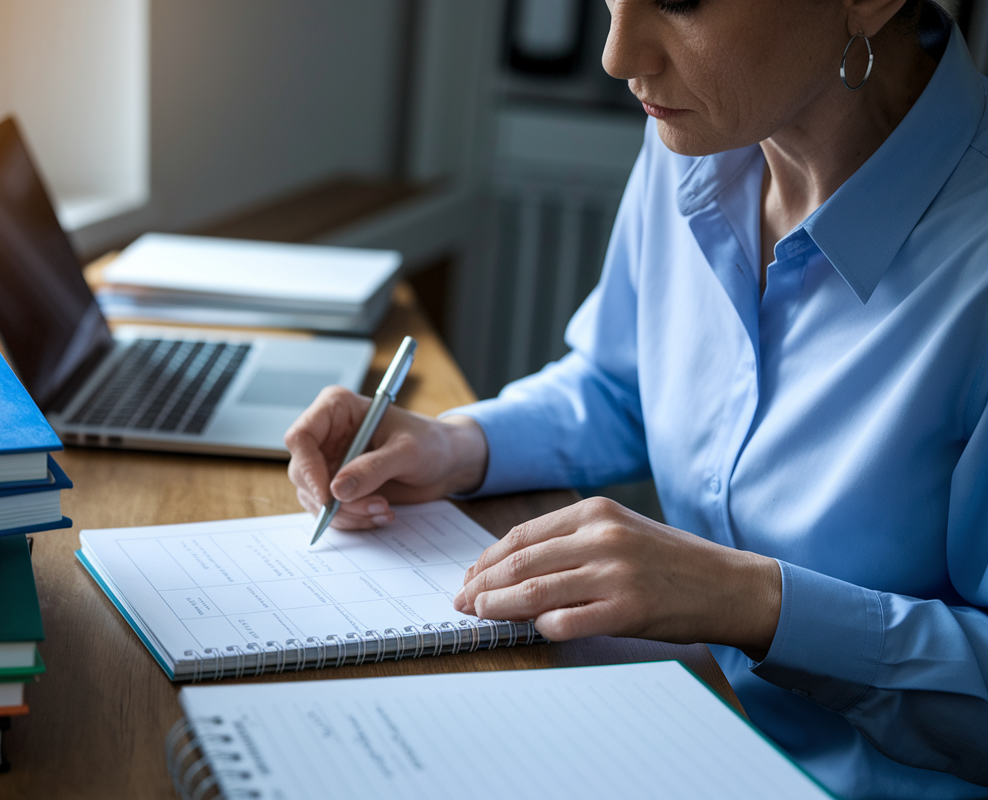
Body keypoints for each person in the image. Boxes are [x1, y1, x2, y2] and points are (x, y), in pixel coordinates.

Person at [284, 0, 988, 796]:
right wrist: (456, 444)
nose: (617, 56)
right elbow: (621, 383)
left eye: (679, 2)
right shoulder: (694, 142)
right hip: (670, 731)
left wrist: (750, 603)